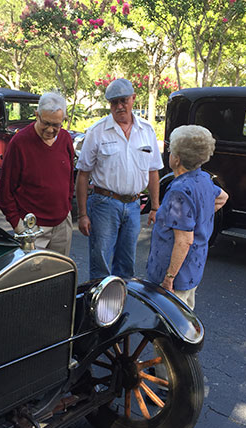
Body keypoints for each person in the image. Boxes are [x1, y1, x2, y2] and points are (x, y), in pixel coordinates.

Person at [76, 78, 163, 279]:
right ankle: (98, 298)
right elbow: (83, 174)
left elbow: (153, 171)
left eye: (123, 100)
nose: (119, 106)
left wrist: (155, 207)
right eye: (114, 102)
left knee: (126, 264)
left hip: (134, 206)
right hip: (104, 204)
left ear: (133, 98)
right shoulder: (97, 131)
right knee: (101, 264)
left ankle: (121, 297)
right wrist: (82, 214)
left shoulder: (146, 130)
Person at [146, 125, 229, 310]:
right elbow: (223, 197)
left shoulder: (180, 190)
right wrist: (201, 216)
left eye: (171, 150)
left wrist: (169, 278)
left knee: (169, 321)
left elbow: (184, 240)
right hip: (193, 267)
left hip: (176, 275)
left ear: (177, 159)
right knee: (186, 317)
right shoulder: (204, 178)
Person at [0, 91, 75, 255]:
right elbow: (5, 192)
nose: (50, 130)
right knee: (33, 271)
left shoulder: (66, 139)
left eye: (56, 125)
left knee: (60, 270)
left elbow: (69, 178)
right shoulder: (20, 142)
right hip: (33, 228)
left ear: (63, 120)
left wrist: (67, 207)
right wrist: (19, 227)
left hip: (62, 224)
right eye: (46, 123)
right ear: (37, 115)